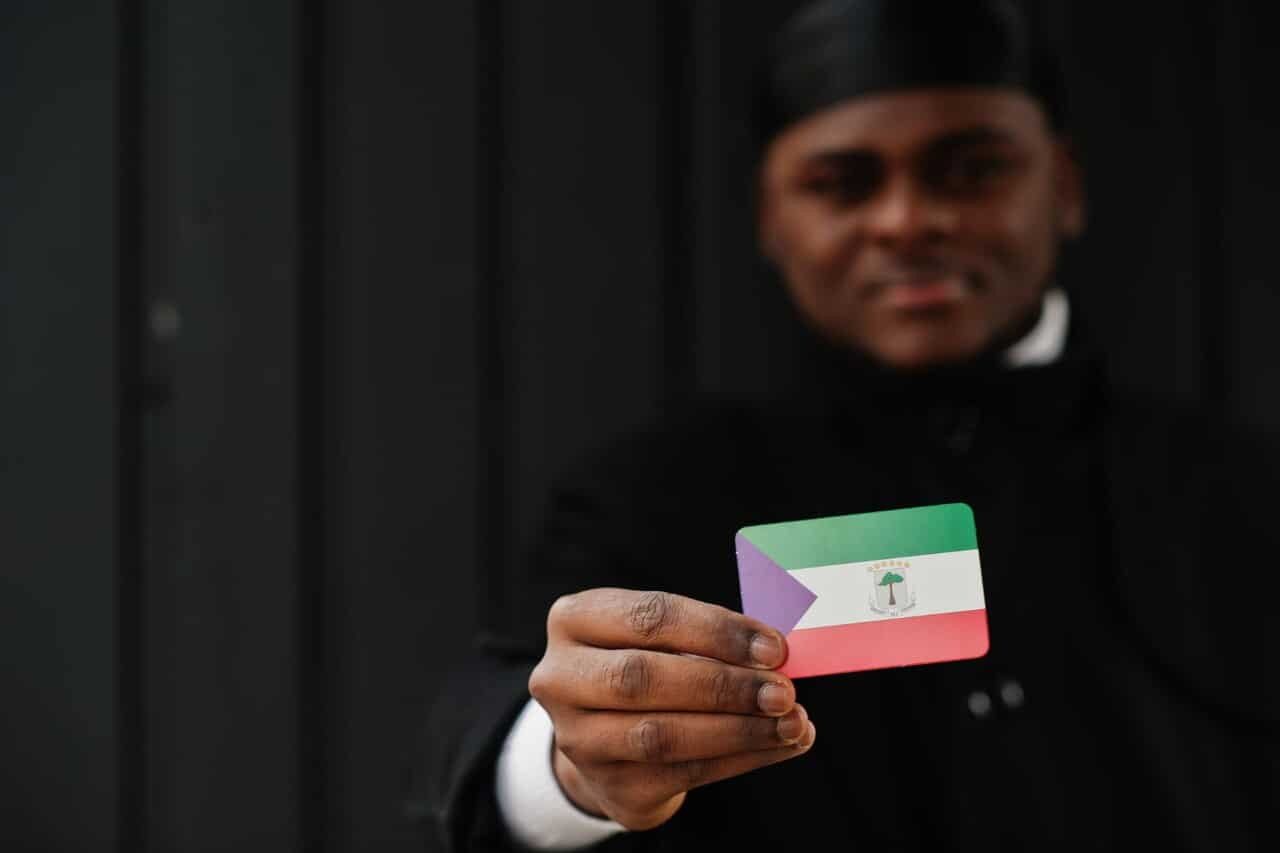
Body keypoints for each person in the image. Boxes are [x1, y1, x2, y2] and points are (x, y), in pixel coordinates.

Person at [413, 1, 1280, 850]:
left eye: (969, 168)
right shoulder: (652, 496)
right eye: (842, 183)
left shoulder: (1247, 492)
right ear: (770, 216)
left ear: (1065, 186)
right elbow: (490, 737)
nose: (906, 221)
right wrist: (573, 763)